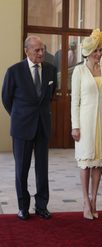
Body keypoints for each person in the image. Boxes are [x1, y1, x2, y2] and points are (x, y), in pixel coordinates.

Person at [2, 35, 57, 220]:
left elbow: (50, 96)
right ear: (27, 51)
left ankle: (42, 206)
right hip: (22, 127)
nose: (41, 53)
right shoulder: (14, 71)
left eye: (43, 49)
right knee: (21, 169)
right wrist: (19, 116)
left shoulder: (50, 70)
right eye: (37, 50)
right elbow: (6, 99)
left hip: (42, 126)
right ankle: (23, 207)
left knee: (42, 169)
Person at [71, 29, 102, 220]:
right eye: (96, 50)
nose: (99, 54)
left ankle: (94, 200)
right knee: (86, 164)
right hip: (85, 121)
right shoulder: (79, 71)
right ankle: (84, 200)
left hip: (101, 121)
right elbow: (75, 100)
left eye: (101, 50)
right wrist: (75, 125)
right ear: (88, 51)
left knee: (98, 163)